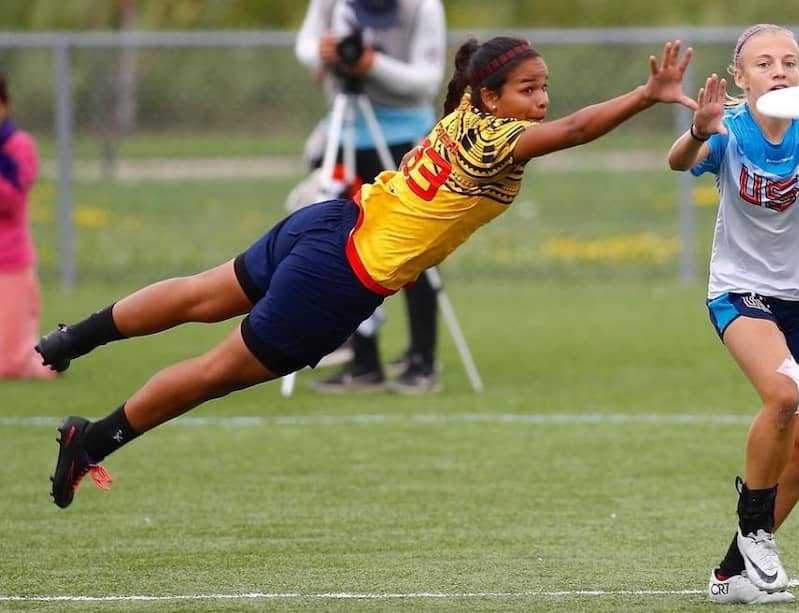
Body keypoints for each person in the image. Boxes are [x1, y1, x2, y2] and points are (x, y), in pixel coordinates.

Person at [37, 36, 698, 509]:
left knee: (200, 293)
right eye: (528, 90)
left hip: (328, 222)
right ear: (488, 95)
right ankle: (91, 439)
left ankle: (72, 338)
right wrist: (648, 94)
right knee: (213, 371)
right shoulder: (499, 136)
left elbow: (546, 117)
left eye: (545, 86)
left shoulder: (464, 113)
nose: (543, 100)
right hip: (339, 273)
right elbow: (580, 129)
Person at [667, 24, 799, 605]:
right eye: (764, 62)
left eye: (790, 60)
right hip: (741, 291)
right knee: (785, 394)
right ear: (741, 76)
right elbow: (678, 160)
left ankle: (732, 571)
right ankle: (758, 526)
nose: (780, 70)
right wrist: (695, 131)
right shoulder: (728, 132)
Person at [294, 0, 447, 394]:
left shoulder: (424, 8)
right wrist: (323, 54)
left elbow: (426, 81)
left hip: (406, 139)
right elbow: (306, 44)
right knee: (343, 248)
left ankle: (422, 361)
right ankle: (363, 361)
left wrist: (371, 65)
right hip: (342, 130)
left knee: (414, 250)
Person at [0, 71, 55, 381]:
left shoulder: (19, 147)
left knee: (11, 366)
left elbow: (9, 199)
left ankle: (49, 355)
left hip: (9, 262)